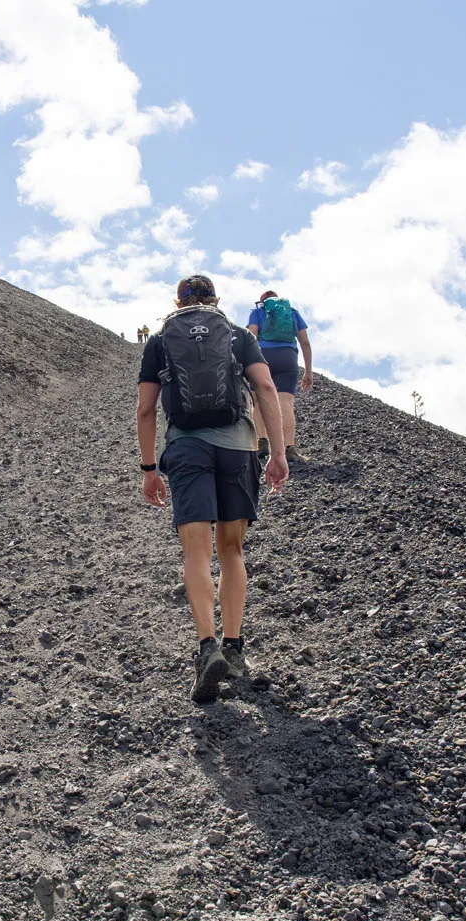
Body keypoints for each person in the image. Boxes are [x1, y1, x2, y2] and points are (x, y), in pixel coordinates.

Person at [137, 275, 288, 703]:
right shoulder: (237, 335)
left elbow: (146, 408)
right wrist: (276, 452)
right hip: (238, 448)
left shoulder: (161, 340)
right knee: (232, 551)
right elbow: (265, 388)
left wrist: (150, 467)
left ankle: (207, 648)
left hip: (186, 448)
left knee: (195, 551)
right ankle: (235, 649)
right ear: (215, 300)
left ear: (177, 302)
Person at [246, 290, 314, 464]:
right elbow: (304, 341)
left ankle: (262, 444)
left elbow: (252, 333)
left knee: (258, 400)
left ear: (263, 302)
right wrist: (308, 371)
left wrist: (248, 359)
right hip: (287, 357)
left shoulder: (258, 312)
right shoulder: (292, 312)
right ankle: (289, 448)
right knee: (285, 403)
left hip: (262, 356)